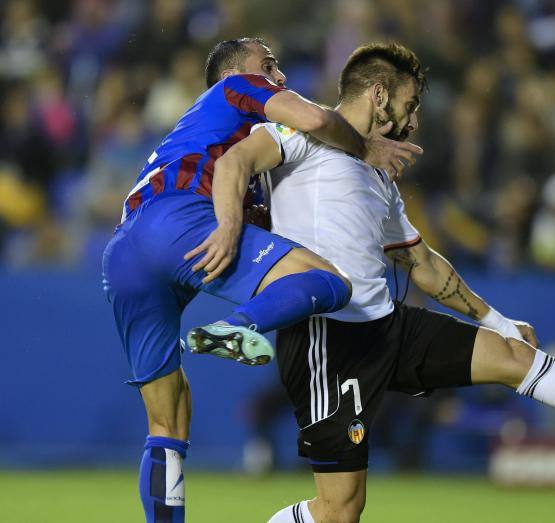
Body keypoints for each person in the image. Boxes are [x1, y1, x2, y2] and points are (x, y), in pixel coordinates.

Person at [220, 42, 555, 523]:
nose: (415, 117)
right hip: (327, 338)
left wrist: (499, 320)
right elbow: (235, 160)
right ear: (378, 94)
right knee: (340, 511)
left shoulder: (379, 175)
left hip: (386, 326)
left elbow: (422, 263)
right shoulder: (299, 136)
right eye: (409, 101)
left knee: (516, 358)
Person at [101, 37, 422, 523]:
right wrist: (366, 146)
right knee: (330, 280)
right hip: (179, 223)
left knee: (168, 419)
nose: (280, 76)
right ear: (237, 74)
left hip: (123, 253)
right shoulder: (236, 91)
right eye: (269, 65)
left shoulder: (216, 139)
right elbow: (316, 119)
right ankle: (241, 326)